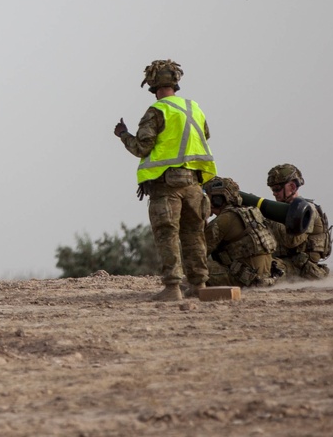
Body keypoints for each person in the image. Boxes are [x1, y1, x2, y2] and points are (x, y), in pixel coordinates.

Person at [114, 59, 217, 301]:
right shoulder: (194, 108)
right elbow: (205, 135)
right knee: (194, 235)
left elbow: (142, 147)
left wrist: (123, 135)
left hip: (166, 185)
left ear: (151, 84)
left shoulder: (157, 111)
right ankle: (199, 286)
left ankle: (173, 288)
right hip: (194, 183)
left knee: (167, 234)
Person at [202, 177, 279, 287]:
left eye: (207, 197)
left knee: (193, 264)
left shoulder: (224, 220)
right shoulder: (252, 212)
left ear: (217, 199)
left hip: (247, 280)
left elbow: (199, 252)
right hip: (267, 277)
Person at [265, 164, 333, 280]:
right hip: (285, 265)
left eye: (277, 189)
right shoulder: (280, 211)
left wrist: (271, 218)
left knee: (262, 271)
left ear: (292, 187)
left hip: (303, 269)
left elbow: (292, 241)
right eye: (272, 190)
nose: (274, 193)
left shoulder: (307, 210)